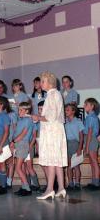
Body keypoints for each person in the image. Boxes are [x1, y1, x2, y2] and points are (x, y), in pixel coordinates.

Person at [32, 71, 68, 200]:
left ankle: (49, 189)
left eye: (43, 81)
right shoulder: (55, 94)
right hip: (56, 130)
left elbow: (51, 117)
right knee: (57, 161)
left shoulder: (52, 95)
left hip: (52, 131)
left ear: (50, 82)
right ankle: (61, 188)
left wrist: (38, 117)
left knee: (52, 160)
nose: (40, 84)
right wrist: (40, 118)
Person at [11, 102, 34, 197]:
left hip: (22, 144)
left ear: (27, 111)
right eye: (18, 109)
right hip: (18, 144)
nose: (18, 111)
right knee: (20, 168)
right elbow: (16, 131)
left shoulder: (28, 120)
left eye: (21, 110)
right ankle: (24, 187)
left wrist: (13, 141)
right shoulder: (21, 120)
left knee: (18, 168)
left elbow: (23, 134)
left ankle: (27, 189)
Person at [64, 104, 84, 191]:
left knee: (76, 165)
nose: (66, 111)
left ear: (73, 111)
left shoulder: (78, 121)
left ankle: (77, 184)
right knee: (68, 165)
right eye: (65, 110)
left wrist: (79, 148)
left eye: (68, 110)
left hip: (75, 144)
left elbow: (81, 136)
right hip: (66, 144)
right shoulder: (65, 122)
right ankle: (70, 183)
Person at [83, 98, 100, 190]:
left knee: (94, 161)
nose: (84, 106)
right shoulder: (90, 117)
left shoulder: (91, 117)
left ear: (92, 106)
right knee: (92, 162)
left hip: (91, 139)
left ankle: (96, 183)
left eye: (86, 105)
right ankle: (94, 182)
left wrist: (86, 147)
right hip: (89, 139)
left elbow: (90, 133)